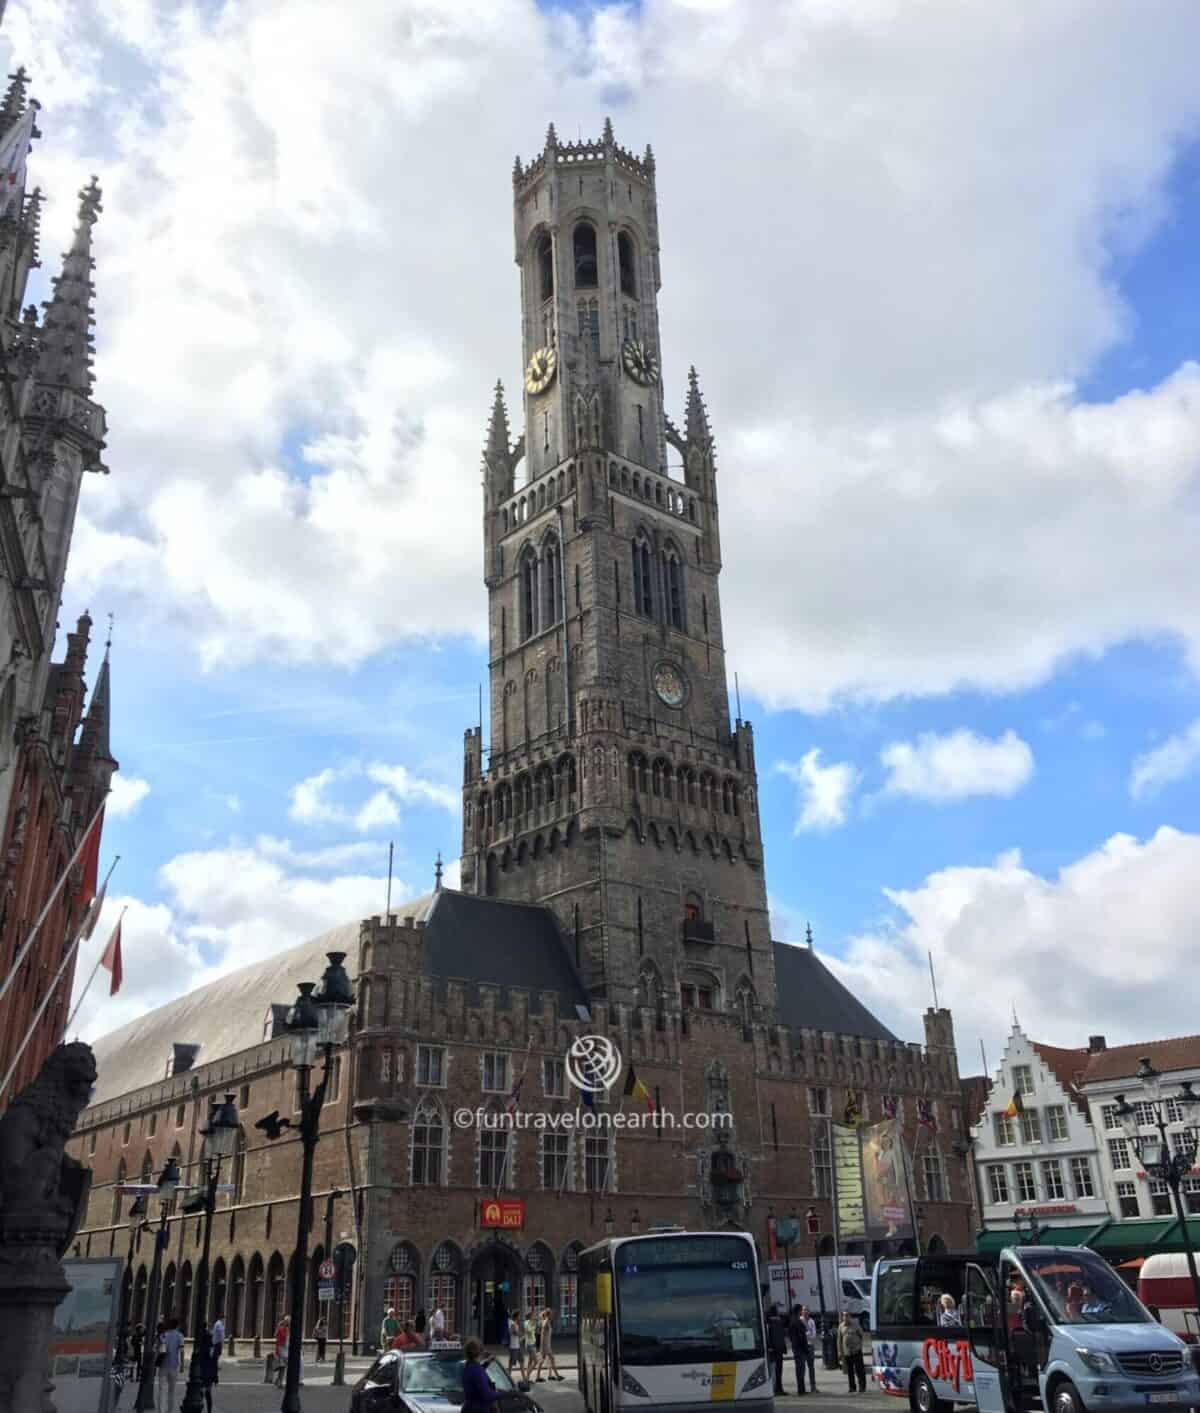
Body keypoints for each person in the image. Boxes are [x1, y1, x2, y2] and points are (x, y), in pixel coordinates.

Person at [463, 1336, 500, 1413]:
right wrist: (504, 1394)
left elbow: (477, 1371)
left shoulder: (469, 1366)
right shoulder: (477, 1370)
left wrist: (488, 1362)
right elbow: (487, 1396)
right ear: (480, 1352)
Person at [157, 1317, 184, 1413]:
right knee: (171, 1391)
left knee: (161, 1390)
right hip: (173, 1366)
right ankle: (170, 1410)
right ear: (177, 1326)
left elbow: (158, 1349)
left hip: (163, 1365)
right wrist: (182, 1365)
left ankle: (161, 1410)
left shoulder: (164, 1335)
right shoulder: (179, 1336)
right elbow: (181, 1351)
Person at [838, 1311, 866, 1393]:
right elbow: (839, 1340)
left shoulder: (856, 1325)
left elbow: (862, 1336)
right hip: (847, 1352)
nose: (845, 1317)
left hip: (856, 1351)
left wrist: (859, 1346)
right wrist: (840, 1352)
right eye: (844, 1316)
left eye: (847, 1315)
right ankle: (852, 1387)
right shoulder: (841, 1326)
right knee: (849, 1371)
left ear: (850, 1316)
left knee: (859, 1370)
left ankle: (862, 1387)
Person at [535, 1308, 564, 1381]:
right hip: (545, 1346)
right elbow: (542, 1334)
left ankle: (544, 1376)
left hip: (547, 1344)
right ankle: (557, 1376)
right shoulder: (546, 1322)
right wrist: (541, 1347)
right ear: (549, 1315)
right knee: (549, 1359)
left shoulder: (547, 1321)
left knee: (544, 1361)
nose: (553, 1315)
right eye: (551, 1314)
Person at [766, 1304, 788, 1395]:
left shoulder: (769, 1322)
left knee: (773, 1370)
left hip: (772, 1349)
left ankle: (774, 1388)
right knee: (779, 1370)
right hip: (780, 1349)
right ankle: (779, 1388)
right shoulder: (779, 1321)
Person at [788, 1304, 809, 1394]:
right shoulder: (797, 1321)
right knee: (801, 1369)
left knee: (799, 1369)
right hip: (799, 1348)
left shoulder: (792, 1321)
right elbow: (803, 1332)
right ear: (798, 1311)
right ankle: (801, 1389)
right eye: (801, 1310)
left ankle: (801, 1389)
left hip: (796, 1348)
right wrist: (805, 1348)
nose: (801, 1312)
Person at [801, 1306, 819, 1393]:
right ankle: (802, 1387)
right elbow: (803, 1335)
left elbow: (813, 1335)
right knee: (802, 1367)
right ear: (801, 1311)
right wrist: (808, 1334)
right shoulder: (800, 1320)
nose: (806, 1312)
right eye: (804, 1310)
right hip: (803, 1347)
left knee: (811, 1367)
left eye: (807, 1310)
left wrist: (807, 1334)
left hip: (810, 1346)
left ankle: (813, 1387)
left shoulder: (811, 1321)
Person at [508, 1309, 525, 1378]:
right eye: (519, 1315)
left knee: (521, 1360)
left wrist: (521, 1336)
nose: (520, 1317)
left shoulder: (515, 1323)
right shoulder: (512, 1323)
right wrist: (522, 1334)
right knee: (512, 1362)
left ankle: (524, 1377)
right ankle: (508, 1376)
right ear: (516, 1316)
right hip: (513, 1346)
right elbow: (514, 1333)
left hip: (517, 1345)